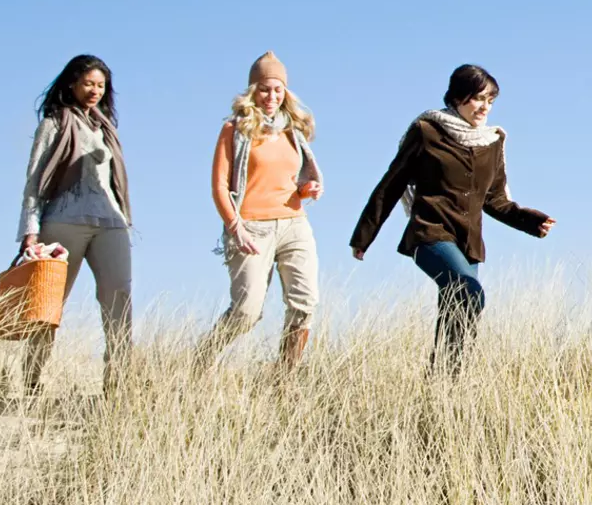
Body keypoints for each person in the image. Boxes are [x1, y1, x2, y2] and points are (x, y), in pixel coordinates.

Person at [350, 64, 555, 373]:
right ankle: (445, 376)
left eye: (491, 100)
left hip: (467, 243)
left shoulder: (492, 142)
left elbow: (495, 200)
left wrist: (531, 221)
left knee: (458, 309)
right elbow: (391, 184)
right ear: (458, 97)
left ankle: (446, 384)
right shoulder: (427, 131)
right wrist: (364, 237)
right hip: (429, 234)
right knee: (469, 293)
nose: (485, 107)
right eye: (478, 98)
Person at [192, 52, 324, 371]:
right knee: (247, 311)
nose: (271, 97)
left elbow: (294, 179)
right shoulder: (234, 130)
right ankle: (201, 359)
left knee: (305, 303)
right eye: (265, 89)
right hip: (251, 228)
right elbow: (220, 186)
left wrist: (308, 189)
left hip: (294, 224)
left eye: (278, 89)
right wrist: (235, 226)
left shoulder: (293, 130)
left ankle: (284, 374)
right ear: (253, 90)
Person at [15, 55, 133, 395]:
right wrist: (30, 230)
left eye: (100, 85)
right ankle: (31, 382)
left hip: (111, 221)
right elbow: (34, 181)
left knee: (119, 299)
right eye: (88, 84)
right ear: (72, 84)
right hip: (64, 220)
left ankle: (118, 387)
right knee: (49, 306)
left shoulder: (104, 127)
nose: (95, 90)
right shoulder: (54, 124)